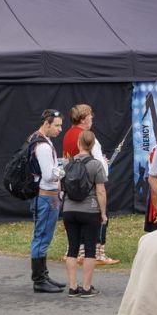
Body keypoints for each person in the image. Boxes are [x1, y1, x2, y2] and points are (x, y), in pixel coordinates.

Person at [61, 104, 117, 265]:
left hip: (72, 183)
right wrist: (103, 164)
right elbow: (99, 164)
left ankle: (75, 250)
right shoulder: (87, 136)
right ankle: (97, 253)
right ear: (83, 119)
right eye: (90, 116)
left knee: (75, 219)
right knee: (99, 216)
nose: (92, 118)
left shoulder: (67, 134)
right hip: (89, 183)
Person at [61, 130, 108, 298]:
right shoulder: (96, 165)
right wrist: (103, 213)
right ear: (93, 145)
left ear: (78, 143)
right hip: (90, 210)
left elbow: (61, 187)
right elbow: (101, 191)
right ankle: (87, 287)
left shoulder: (67, 163)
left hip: (69, 210)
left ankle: (73, 287)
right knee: (89, 250)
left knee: (72, 248)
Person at [27, 109, 67, 294]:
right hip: (46, 196)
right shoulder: (43, 146)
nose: (60, 129)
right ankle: (39, 280)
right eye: (57, 125)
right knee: (42, 236)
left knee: (43, 236)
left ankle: (43, 275)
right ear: (46, 124)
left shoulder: (37, 139)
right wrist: (64, 169)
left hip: (43, 196)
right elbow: (50, 175)